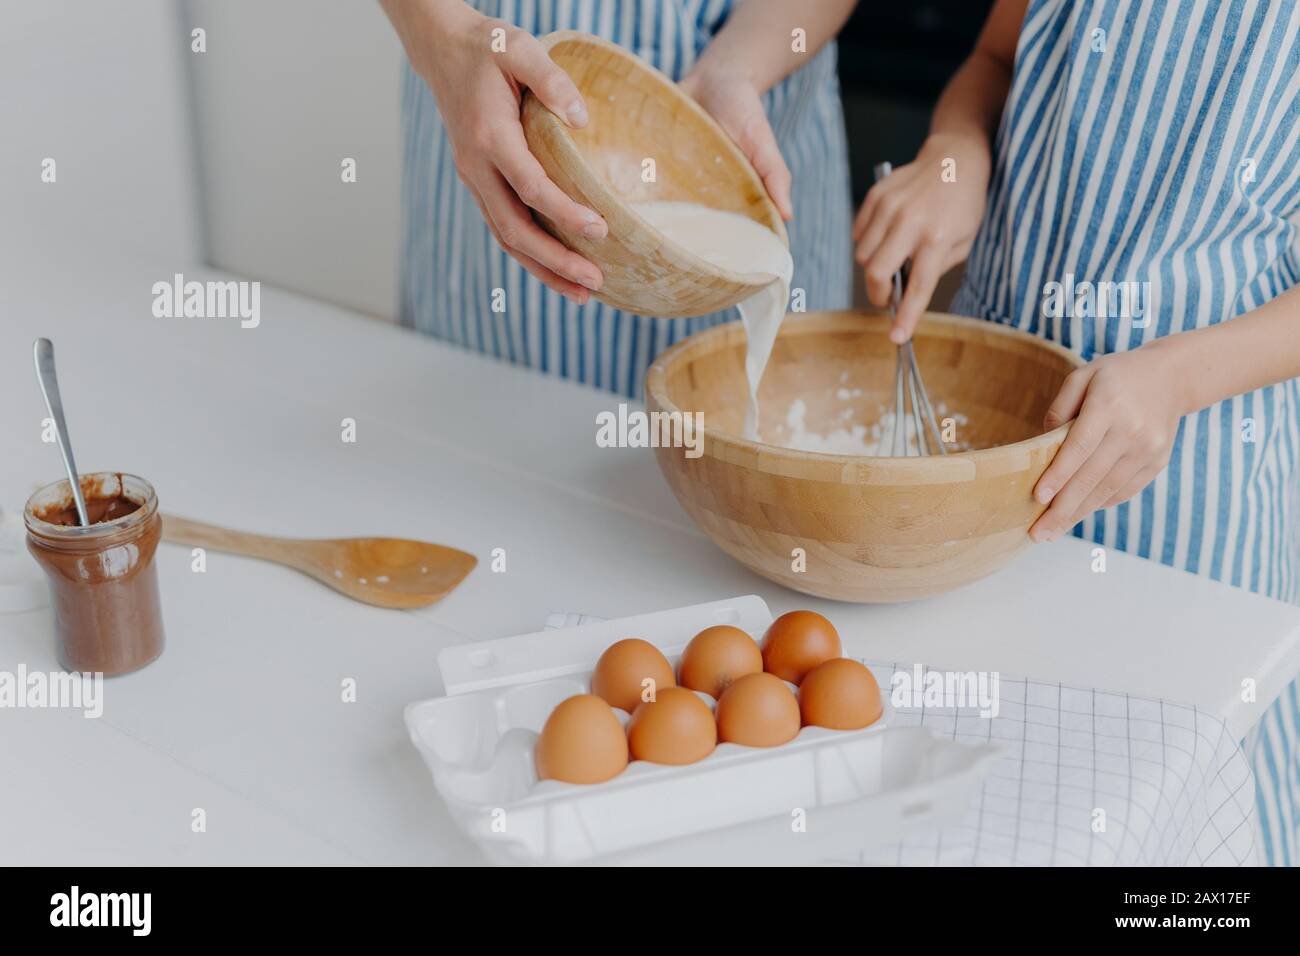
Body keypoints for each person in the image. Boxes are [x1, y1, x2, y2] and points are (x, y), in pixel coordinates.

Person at [856, 0, 1300, 864]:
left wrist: (1177, 376)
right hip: (986, 448)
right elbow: (992, 58)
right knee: (972, 802)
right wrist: (957, 151)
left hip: (1189, 493)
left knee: (1166, 824)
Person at [380, 0, 857, 399]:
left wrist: (739, 66)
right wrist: (443, 38)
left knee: (756, 465)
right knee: (480, 460)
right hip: (491, 105)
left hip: (745, 114)